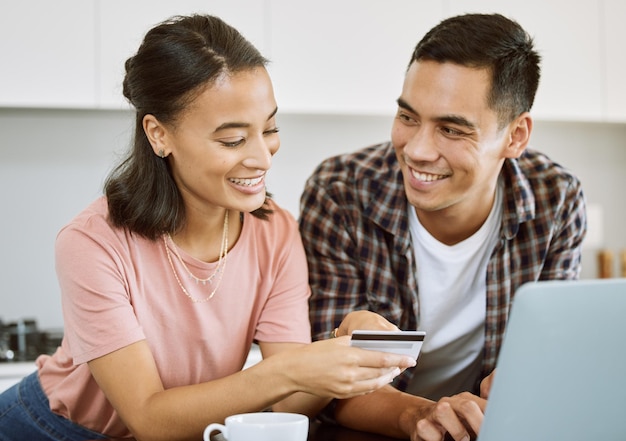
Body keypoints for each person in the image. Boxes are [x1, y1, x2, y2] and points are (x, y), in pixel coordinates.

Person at [0, 14, 417, 441]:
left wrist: (339, 347)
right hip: (49, 427)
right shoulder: (92, 243)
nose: (262, 156)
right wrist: (290, 369)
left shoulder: (275, 233)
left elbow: (292, 400)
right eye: (233, 140)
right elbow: (149, 418)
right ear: (159, 134)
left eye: (270, 129)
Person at [299, 12, 587, 441]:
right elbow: (325, 385)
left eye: (451, 130)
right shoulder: (340, 192)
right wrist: (424, 417)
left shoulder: (555, 200)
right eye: (408, 117)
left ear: (516, 136)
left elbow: (547, 362)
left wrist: (524, 383)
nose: (416, 150)